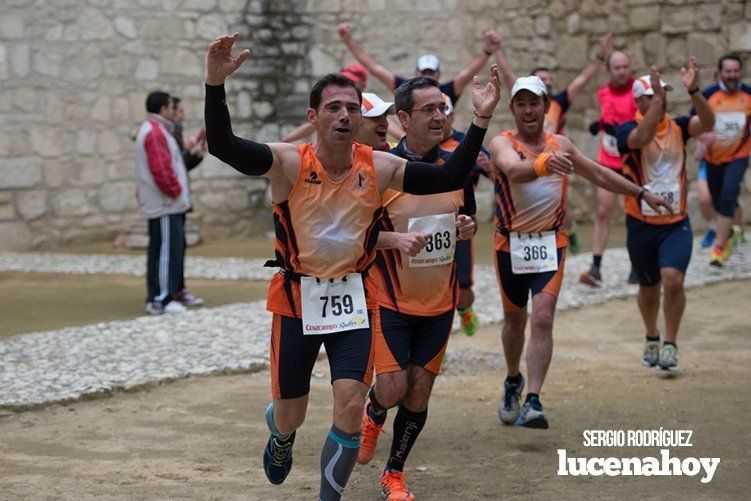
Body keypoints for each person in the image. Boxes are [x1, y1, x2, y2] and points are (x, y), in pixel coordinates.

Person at [203, 33, 501, 500]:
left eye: (351, 108)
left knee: (347, 404)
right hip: (298, 299)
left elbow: (448, 176)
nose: (344, 116)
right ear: (313, 117)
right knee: (291, 413)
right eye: (333, 108)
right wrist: (214, 84)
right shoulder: (287, 163)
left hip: (353, 301)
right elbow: (223, 146)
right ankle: (281, 434)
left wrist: (481, 118)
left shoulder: (377, 166)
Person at [488, 76, 671, 428]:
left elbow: (601, 174)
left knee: (542, 316)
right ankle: (513, 379)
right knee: (515, 321)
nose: (528, 110)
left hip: (550, 244)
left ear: (546, 107)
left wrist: (641, 193)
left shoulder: (562, 144)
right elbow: (513, 169)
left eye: (535, 103)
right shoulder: (502, 142)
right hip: (509, 245)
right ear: (512, 109)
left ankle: (534, 400)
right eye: (521, 103)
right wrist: (543, 164)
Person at [357, 77, 477, 501]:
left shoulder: (457, 167)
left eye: (443, 108)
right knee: (392, 389)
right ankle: (373, 414)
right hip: (390, 299)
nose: (440, 117)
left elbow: (468, 221)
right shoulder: (380, 169)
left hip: (438, 304)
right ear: (403, 118)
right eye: (429, 110)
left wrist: (467, 229)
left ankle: (394, 473)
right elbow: (357, 235)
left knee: (419, 391)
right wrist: (395, 240)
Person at [616, 60, 715, 371]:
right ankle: (652, 335)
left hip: (675, 223)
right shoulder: (626, 129)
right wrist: (657, 102)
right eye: (654, 94)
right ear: (640, 101)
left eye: (663, 94)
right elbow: (641, 139)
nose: (663, 98)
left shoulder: (679, 126)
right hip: (641, 224)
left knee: (672, 281)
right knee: (648, 287)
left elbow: (709, 122)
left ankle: (670, 343)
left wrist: (694, 90)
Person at [494, 33, 614, 255]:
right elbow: (509, 74)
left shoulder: (559, 102)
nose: (548, 83)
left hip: (553, 159)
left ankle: (564, 235)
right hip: (524, 158)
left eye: (550, 80)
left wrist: (598, 58)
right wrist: (497, 49)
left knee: (558, 204)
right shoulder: (520, 100)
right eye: (543, 80)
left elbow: (581, 81)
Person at [581, 49, 638, 285]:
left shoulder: (638, 91)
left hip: (632, 161)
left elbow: (642, 122)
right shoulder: (602, 93)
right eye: (617, 67)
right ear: (609, 70)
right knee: (603, 211)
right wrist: (600, 124)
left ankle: (637, 266)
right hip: (608, 160)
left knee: (634, 214)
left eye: (625, 66)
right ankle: (595, 267)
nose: (622, 71)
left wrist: (621, 129)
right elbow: (606, 117)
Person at [337, 23, 501, 105]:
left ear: (438, 75)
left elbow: (468, 73)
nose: (426, 76)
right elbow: (375, 69)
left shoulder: (447, 91)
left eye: (430, 73)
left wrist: (487, 52)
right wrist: (348, 41)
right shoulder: (404, 88)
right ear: (417, 73)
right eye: (424, 72)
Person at [135, 91, 191, 315]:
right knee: (167, 251)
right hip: (165, 203)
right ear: (162, 109)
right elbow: (161, 169)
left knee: (159, 251)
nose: (172, 110)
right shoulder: (156, 132)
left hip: (163, 203)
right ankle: (163, 298)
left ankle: (157, 296)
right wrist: (175, 191)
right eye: (170, 107)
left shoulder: (153, 130)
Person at [439, 93, 491, 335]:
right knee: (436, 289)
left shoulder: (467, 143)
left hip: (459, 223)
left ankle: (465, 310)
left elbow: (496, 175)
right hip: (427, 227)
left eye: (444, 112)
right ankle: (437, 340)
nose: (438, 118)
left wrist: (490, 167)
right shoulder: (418, 147)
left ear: (451, 115)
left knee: (463, 287)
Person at [696, 54, 750, 266]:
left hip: (739, 155)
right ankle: (731, 230)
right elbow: (694, 125)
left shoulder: (748, 94)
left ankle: (719, 248)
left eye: (736, 71)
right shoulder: (708, 95)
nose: (732, 75)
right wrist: (702, 138)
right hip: (713, 158)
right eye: (728, 71)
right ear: (720, 73)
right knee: (718, 200)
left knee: (728, 196)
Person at [169, 96, 206, 307]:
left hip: (178, 200)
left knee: (179, 247)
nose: (182, 115)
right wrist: (187, 150)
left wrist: (197, 154)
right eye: (179, 111)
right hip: (170, 201)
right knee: (172, 248)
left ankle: (179, 289)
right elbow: (173, 164)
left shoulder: (175, 131)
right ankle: (173, 292)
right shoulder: (169, 132)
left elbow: (182, 166)